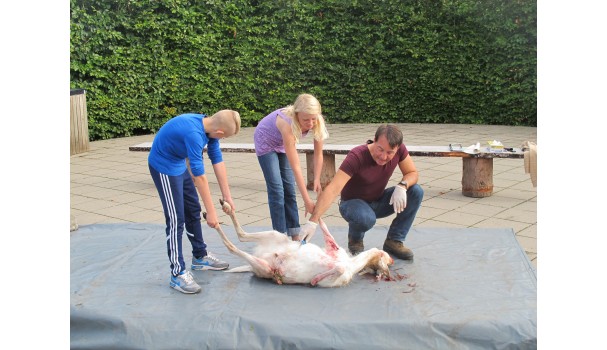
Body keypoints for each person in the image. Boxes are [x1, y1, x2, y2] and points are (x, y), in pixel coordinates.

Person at [148, 109, 241, 294]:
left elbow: (217, 160)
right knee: (176, 220)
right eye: (224, 138)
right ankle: (177, 274)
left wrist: (227, 195)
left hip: (179, 164)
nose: (220, 140)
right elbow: (199, 177)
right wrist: (212, 212)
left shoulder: (210, 129)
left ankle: (199, 256)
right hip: (164, 167)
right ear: (220, 132)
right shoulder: (194, 134)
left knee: (192, 210)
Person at [300, 124, 424, 260]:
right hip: (352, 205)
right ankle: (355, 240)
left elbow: (412, 173)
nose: (383, 157)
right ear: (374, 141)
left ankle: (394, 241)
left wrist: (402, 186)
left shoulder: (400, 150)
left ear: (397, 148)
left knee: (415, 191)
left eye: (390, 153)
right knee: (366, 218)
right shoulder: (357, 156)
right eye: (380, 150)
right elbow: (333, 188)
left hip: (378, 200)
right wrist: (313, 221)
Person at [254, 93, 329, 241]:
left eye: (313, 118)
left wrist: (316, 179)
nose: (310, 123)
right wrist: (307, 200)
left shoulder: (317, 121)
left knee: (289, 188)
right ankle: (280, 236)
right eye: (305, 120)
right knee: (277, 189)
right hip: (266, 141)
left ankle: (295, 234)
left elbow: (318, 154)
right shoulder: (287, 123)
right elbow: (296, 167)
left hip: (281, 143)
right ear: (296, 116)